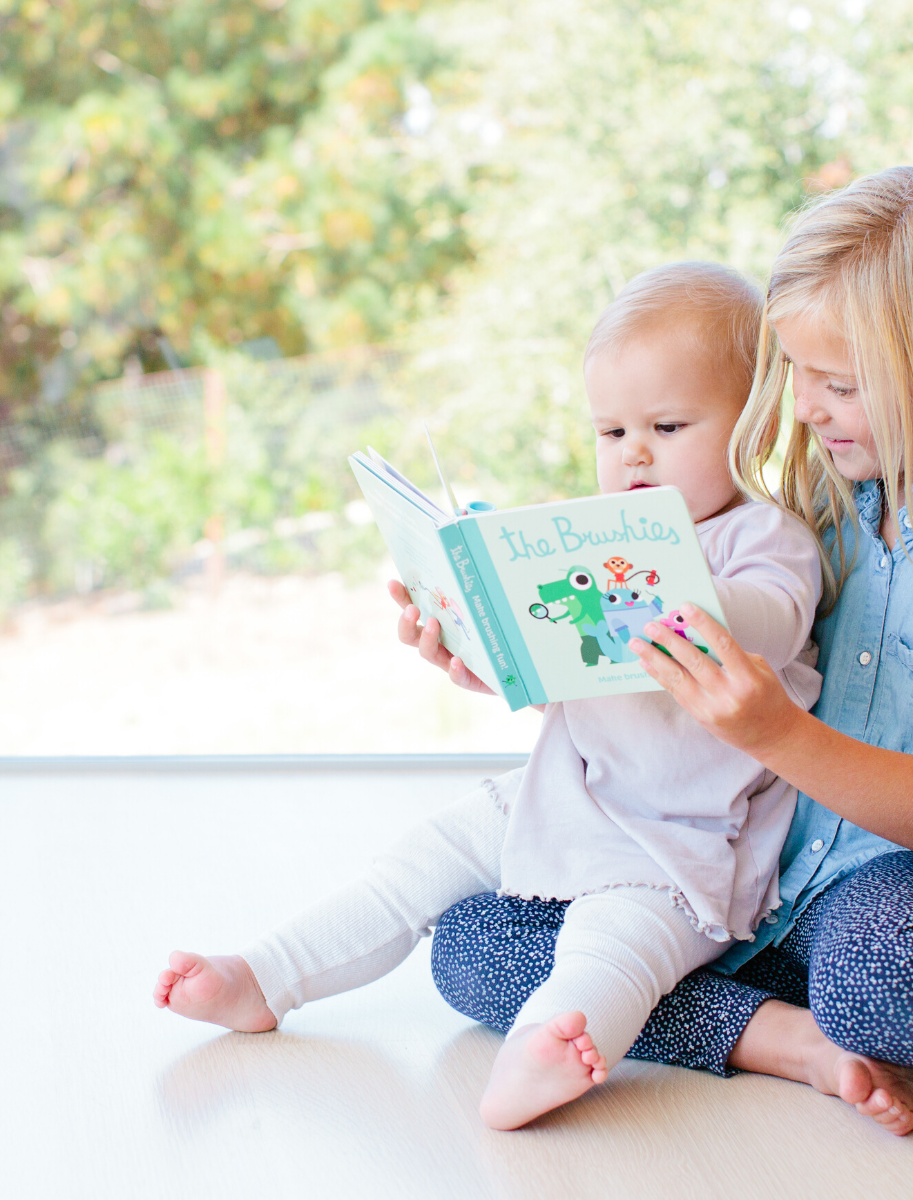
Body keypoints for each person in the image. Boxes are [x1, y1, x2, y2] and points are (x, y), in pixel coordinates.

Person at [426, 166, 913, 1137]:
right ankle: (786, 1039)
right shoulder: (819, 509)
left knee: (886, 984)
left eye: (837, 385)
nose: (801, 410)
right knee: (472, 941)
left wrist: (775, 732)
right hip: (762, 868)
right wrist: (514, 656)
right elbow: (675, 674)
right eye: (795, 374)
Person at [152, 261, 828, 1131]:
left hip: (681, 842)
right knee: (416, 863)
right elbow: (581, 676)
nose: (634, 453)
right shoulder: (601, 535)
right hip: (565, 788)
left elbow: (769, 623)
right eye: (611, 430)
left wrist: (667, 586)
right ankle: (266, 974)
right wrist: (486, 643)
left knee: (612, 942)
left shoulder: (762, 537)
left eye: (667, 425)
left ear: (755, 422)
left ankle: (549, 1046)